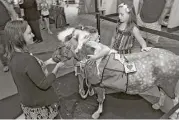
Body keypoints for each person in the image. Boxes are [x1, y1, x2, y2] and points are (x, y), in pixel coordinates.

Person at [4, 20, 64, 119]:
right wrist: (57, 68)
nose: (33, 35)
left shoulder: (12, 56)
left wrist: (48, 62)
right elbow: (44, 84)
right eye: (29, 33)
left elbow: (29, 72)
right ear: (18, 37)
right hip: (41, 105)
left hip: (28, 103)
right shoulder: (28, 59)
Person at [0, 0, 19, 72]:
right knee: (1, 49)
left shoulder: (2, 1)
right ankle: (5, 64)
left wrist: (15, 23)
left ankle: (14, 61)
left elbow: (11, 10)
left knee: (9, 45)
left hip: (5, 27)